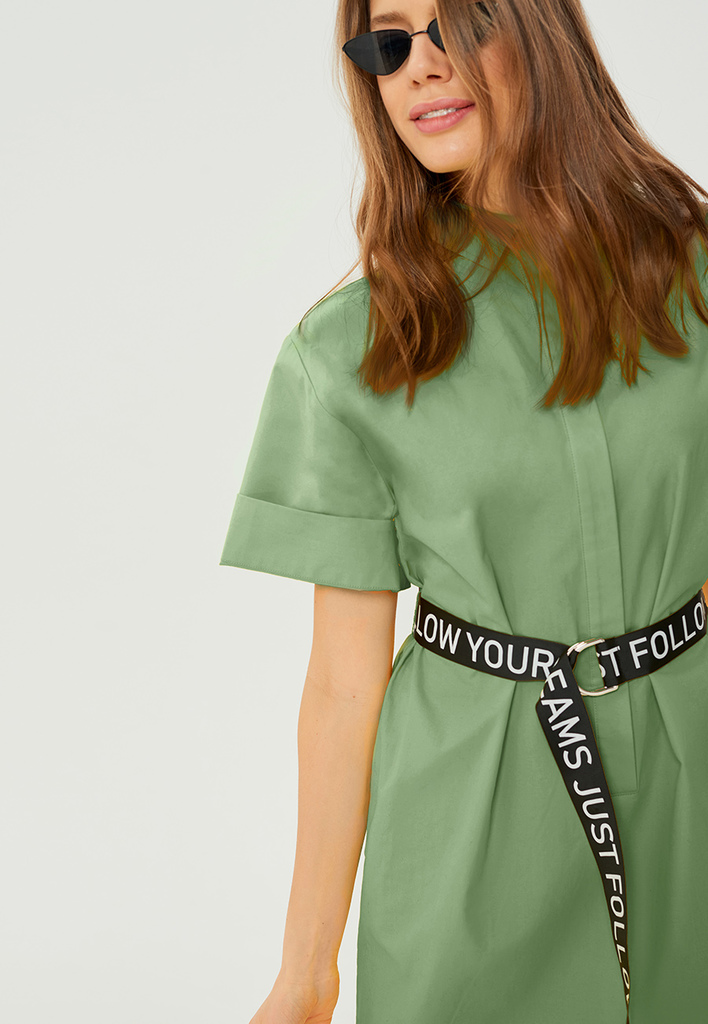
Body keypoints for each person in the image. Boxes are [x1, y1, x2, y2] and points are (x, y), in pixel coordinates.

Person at [219, 0, 708, 1021]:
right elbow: (343, 686)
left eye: (460, 24)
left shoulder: (693, 271)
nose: (421, 67)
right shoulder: (352, 351)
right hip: (474, 808)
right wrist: (306, 972)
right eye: (390, 40)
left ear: (542, 32)